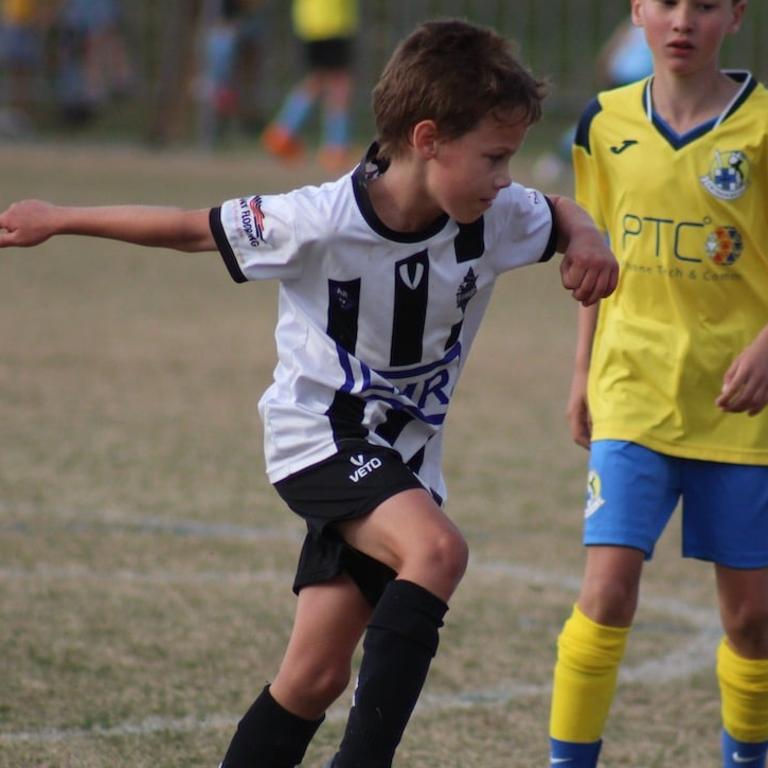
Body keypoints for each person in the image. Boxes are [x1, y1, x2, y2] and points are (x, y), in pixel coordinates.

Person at [0, 19, 618, 768]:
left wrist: (588, 240)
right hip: (319, 437)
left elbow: (558, 213)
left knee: (312, 678)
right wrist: (59, 218)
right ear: (427, 139)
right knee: (437, 551)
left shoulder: (492, 215)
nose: (503, 177)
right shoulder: (318, 220)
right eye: (493, 157)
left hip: (403, 462)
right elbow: (190, 229)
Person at [548, 2, 768, 767]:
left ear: (735, 15)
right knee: (606, 595)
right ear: (637, 10)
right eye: (666, 2)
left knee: (752, 622)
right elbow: (595, 262)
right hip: (631, 391)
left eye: (705, 5)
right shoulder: (602, 124)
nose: (683, 21)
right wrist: (582, 374)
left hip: (740, 407)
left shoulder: (764, 128)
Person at [261, 0, 358, 173]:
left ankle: (281, 133)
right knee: (339, 86)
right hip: (332, 22)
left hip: (310, 20)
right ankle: (336, 148)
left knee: (317, 81)